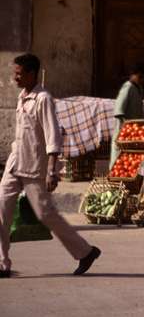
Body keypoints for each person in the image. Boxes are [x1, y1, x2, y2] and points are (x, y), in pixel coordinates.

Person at [0, 53, 101, 278]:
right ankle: (2, 263)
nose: (14, 78)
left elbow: (53, 135)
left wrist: (52, 170)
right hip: (15, 162)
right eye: (14, 73)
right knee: (1, 208)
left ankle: (85, 252)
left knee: (46, 214)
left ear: (31, 74)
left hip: (34, 166)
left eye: (18, 74)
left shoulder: (44, 99)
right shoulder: (22, 97)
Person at [109, 63, 144, 168]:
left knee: (131, 158)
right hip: (125, 130)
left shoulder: (138, 89)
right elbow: (119, 110)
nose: (142, 80)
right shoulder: (128, 87)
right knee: (119, 154)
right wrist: (125, 128)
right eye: (140, 77)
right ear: (133, 75)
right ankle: (114, 175)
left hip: (134, 131)